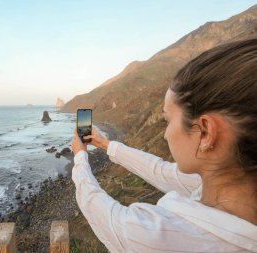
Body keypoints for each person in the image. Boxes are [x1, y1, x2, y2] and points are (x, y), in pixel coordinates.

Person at [71, 39, 257, 253]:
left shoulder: (159, 237)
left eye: (167, 120)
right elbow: (159, 170)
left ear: (205, 132)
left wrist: (80, 157)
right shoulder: (216, 187)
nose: (166, 134)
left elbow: (104, 212)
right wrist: (105, 144)